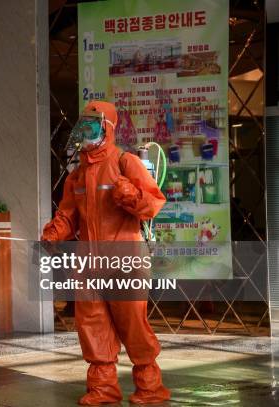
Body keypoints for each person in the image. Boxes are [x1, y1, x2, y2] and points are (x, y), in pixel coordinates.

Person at [42, 101, 171, 405]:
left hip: (125, 260)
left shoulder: (126, 162)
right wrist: (54, 232)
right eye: (82, 124)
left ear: (107, 128)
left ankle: (150, 388)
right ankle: (102, 390)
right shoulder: (76, 177)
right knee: (91, 326)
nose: (84, 132)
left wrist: (131, 195)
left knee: (133, 326)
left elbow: (153, 204)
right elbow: (68, 216)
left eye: (91, 125)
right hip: (89, 264)